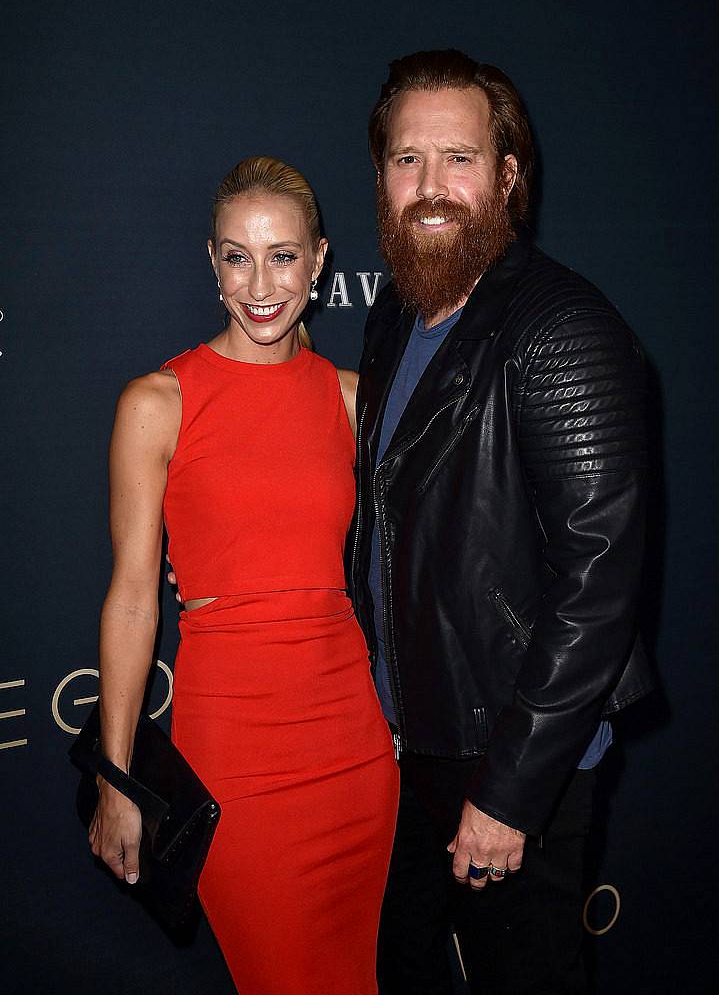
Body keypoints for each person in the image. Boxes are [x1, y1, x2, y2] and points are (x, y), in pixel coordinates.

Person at [347, 50, 655, 995]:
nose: (430, 187)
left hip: (512, 750)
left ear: (508, 174)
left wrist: (509, 794)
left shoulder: (559, 326)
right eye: (407, 160)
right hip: (416, 738)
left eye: (459, 158)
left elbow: (598, 585)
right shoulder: (397, 316)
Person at [89, 155, 399, 995]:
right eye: (237, 256)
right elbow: (130, 599)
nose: (260, 282)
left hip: (353, 749)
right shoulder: (159, 402)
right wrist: (115, 780)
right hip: (236, 754)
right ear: (212, 261)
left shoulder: (350, 398)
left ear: (321, 260)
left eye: (284, 256)